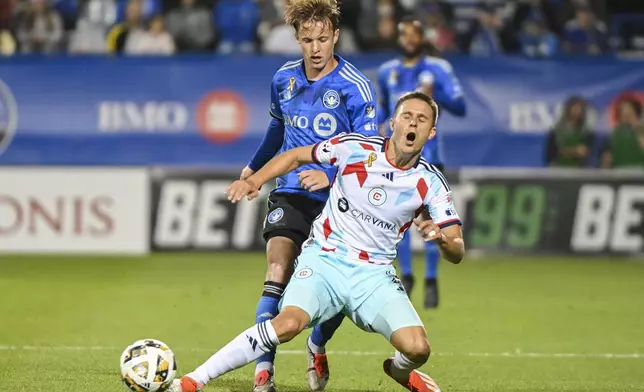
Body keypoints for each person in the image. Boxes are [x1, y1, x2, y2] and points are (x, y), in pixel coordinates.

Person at [170, 91, 464, 392]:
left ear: (431, 132)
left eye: (421, 119)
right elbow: (295, 155)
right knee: (287, 324)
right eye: (407, 116)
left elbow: (457, 250)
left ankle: (400, 372)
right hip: (325, 260)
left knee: (418, 349)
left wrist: (441, 239)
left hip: (374, 274)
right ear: (392, 123)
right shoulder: (355, 148)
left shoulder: (430, 182)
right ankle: (195, 380)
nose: (412, 123)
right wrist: (253, 181)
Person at [238, 0, 378, 391]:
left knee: (340, 294)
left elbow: (370, 151)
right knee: (277, 272)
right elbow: (276, 130)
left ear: (335, 36)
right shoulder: (283, 78)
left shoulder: (355, 86)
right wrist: (252, 171)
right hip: (290, 193)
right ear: (297, 39)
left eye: (322, 39)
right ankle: (263, 370)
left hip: (341, 201)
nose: (315, 48)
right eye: (306, 40)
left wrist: (330, 172)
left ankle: (317, 343)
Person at [376, 17, 466, 308]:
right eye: (404, 34)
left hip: (430, 158)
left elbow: (460, 106)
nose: (408, 39)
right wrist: (378, 127)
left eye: (414, 34)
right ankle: (407, 275)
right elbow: (383, 109)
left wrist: (433, 95)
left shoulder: (438, 68)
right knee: (395, 217)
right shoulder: (386, 70)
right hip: (394, 158)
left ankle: (430, 278)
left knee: (432, 221)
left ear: (421, 37)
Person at [545, 96, 593, 167]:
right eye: (576, 108)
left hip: (579, 172)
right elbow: (550, 154)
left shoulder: (586, 133)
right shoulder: (556, 132)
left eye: (581, 109)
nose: (579, 111)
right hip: (558, 171)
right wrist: (573, 151)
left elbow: (589, 153)